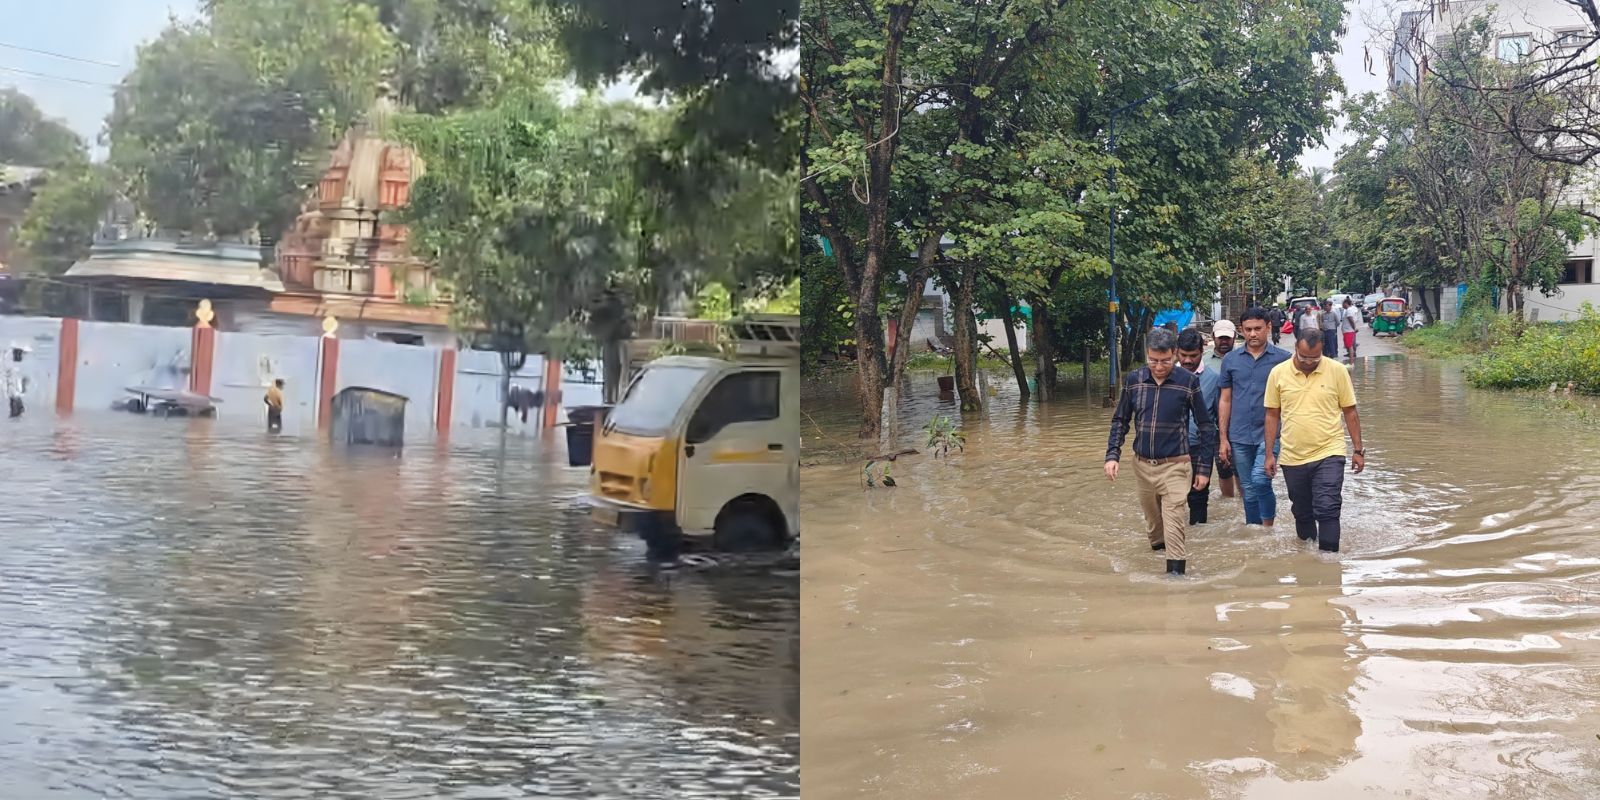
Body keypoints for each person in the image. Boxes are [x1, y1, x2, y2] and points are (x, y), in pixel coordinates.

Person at [1105, 327, 1216, 576]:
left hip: (1176, 465)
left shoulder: (1188, 382)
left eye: (1165, 361)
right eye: (1153, 360)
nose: (1159, 366)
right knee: (1155, 526)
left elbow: (1207, 426)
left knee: (1175, 519)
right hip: (1143, 466)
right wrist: (1112, 455)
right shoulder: (1134, 380)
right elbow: (1120, 420)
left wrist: (1204, 469)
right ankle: (1157, 552)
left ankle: (1175, 577)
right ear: (1147, 355)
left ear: (1174, 354)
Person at [1264, 328, 1366, 552]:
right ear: (1295, 349)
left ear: (1322, 352)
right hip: (1292, 455)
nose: (1309, 362)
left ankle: (1329, 563)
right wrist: (1269, 453)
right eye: (1303, 357)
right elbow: (1272, 414)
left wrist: (1358, 450)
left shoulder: (1337, 371)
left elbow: (1350, 411)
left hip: (1329, 451)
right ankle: (1308, 564)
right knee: (1302, 511)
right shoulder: (1278, 373)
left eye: (1315, 358)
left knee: (1328, 507)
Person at [1217, 307, 1291, 528]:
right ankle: (1254, 530)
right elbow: (1225, 400)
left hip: (1270, 434)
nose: (1252, 334)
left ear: (1268, 327)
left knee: (1260, 480)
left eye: (1258, 329)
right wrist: (1223, 438)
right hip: (1238, 434)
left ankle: (1268, 528)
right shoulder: (1230, 360)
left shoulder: (1284, 360)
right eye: (1248, 329)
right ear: (1241, 330)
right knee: (1248, 487)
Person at [1177, 328, 1221, 525]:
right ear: (1176, 352)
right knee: (1170, 499)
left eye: (1193, 356)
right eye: (1183, 355)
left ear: (1202, 352)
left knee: (1198, 496)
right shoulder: (1167, 377)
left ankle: (1198, 538)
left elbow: (1218, 417)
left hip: (1199, 447)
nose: (1187, 361)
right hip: (1171, 449)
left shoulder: (1213, 379)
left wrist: (1222, 445)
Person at [1202, 320, 1239, 498]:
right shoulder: (1203, 361)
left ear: (1235, 338)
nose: (1224, 341)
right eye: (1220, 338)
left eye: (1227, 338)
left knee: (1240, 468)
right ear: (1213, 338)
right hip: (1212, 423)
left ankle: (1244, 505)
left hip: (1238, 422)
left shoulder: (1243, 357)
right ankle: (1229, 503)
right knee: (1223, 468)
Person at [3, 344, 28, 418]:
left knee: (14, 398)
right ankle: (18, 410)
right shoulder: (11, 365)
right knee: (14, 398)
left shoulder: (12, 366)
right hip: (12, 388)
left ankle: (18, 410)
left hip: (13, 388)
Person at [1340, 297, 1360, 362]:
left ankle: (1351, 362)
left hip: (1348, 331)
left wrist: (1354, 328)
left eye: (1343, 303)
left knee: (1350, 346)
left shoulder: (1349, 310)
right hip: (1347, 331)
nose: (1342, 305)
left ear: (1346, 303)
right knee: (1349, 346)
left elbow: (1351, 319)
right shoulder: (1349, 309)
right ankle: (1351, 361)